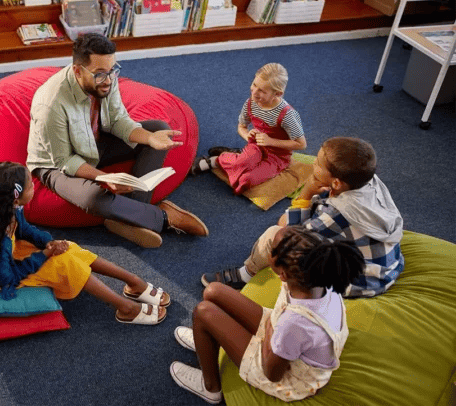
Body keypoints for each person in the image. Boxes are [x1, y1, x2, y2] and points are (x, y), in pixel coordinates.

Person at [26, 33, 208, 248]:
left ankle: (130, 218)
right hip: (54, 165)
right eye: (101, 74)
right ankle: (163, 217)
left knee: (159, 129)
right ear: (77, 70)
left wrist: (149, 138)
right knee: (92, 198)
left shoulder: (106, 79)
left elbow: (118, 121)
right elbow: (65, 160)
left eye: (113, 70)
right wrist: (104, 177)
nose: (109, 79)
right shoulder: (50, 104)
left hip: (95, 142)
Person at [0, 162, 171, 325]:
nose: (34, 188)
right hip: (4, 275)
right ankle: (125, 308)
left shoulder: (9, 210)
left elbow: (26, 231)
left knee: (68, 247)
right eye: (30, 187)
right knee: (65, 264)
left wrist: (50, 243)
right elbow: (9, 275)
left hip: (12, 255)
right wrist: (45, 255)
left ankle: (132, 281)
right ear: (15, 198)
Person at [170, 225, 365, 403]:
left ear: (283, 275)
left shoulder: (295, 323)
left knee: (203, 312)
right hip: (284, 335)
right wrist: (274, 330)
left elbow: (272, 374)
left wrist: (271, 336)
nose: (269, 244)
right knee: (213, 291)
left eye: (272, 248)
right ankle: (210, 341)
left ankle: (210, 388)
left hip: (285, 373)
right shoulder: (320, 279)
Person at [202, 137, 404, 299]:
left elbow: (287, 228)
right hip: (387, 267)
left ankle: (245, 274)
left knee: (275, 235)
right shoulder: (370, 183)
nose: (312, 163)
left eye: (317, 164)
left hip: (359, 282)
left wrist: (306, 193)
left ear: (336, 183)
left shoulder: (336, 214)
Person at [191, 63, 307, 194]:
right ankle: (214, 161)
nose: (254, 92)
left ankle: (235, 156)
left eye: (262, 91)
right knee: (241, 163)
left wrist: (270, 141)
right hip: (256, 146)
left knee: (246, 179)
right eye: (254, 84)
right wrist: (247, 136)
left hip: (277, 157)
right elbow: (241, 126)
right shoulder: (250, 103)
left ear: (278, 93)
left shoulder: (288, 115)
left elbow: (301, 144)